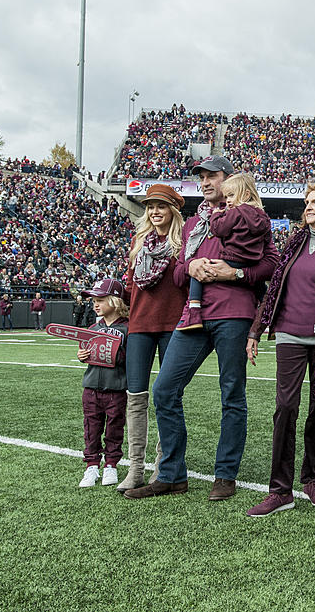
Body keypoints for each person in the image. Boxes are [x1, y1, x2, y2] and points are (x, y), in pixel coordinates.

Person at [125, 156, 279, 502]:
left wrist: (236, 273)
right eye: (202, 177)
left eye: (213, 176)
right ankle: (171, 474)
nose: (207, 182)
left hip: (234, 313)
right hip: (193, 315)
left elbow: (272, 263)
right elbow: (178, 274)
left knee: (232, 394)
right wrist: (193, 265)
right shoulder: (194, 223)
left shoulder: (253, 216)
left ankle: (225, 474)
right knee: (164, 389)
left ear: (230, 180)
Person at [244, 183, 315, 517]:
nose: (308, 207)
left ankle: (311, 480)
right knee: (285, 408)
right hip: (289, 336)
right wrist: (255, 330)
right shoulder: (292, 243)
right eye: (307, 202)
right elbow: (274, 290)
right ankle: (280, 490)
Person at [118, 184, 187, 493]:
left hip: (172, 326)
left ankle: (164, 465)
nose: (155, 211)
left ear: (173, 209)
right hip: (139, 326)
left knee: (167, 396)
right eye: (150, 206)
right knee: (135, 397)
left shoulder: (184, 243)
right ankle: (134, 467)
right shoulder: (139, 244)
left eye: (161, 205)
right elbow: (131, 288)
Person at [179, 173, 270, 331]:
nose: (228, 200)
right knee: (260, 285)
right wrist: (189, 266)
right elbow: (178, 275)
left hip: (233, 264)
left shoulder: (234, 212)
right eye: (202, 178)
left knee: (203, 268)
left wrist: (216, 217)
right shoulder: (261, 215)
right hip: (251, 259)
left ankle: (194, 309)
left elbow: (219, 229)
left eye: (231, 195)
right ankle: (268, 309)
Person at [76, 278, 129, 488]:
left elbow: (131, 357)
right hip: (91, 387)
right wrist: (82, 355)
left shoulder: (127, 328)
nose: (95, 304)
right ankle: (91, 465)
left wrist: (115, 355)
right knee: (91, 427)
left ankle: (111, 465)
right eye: (93, 301)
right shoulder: (91, 327)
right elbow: (85, 352)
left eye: (100, 300)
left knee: (115, 427)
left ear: (115, 301)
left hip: (116, 388)